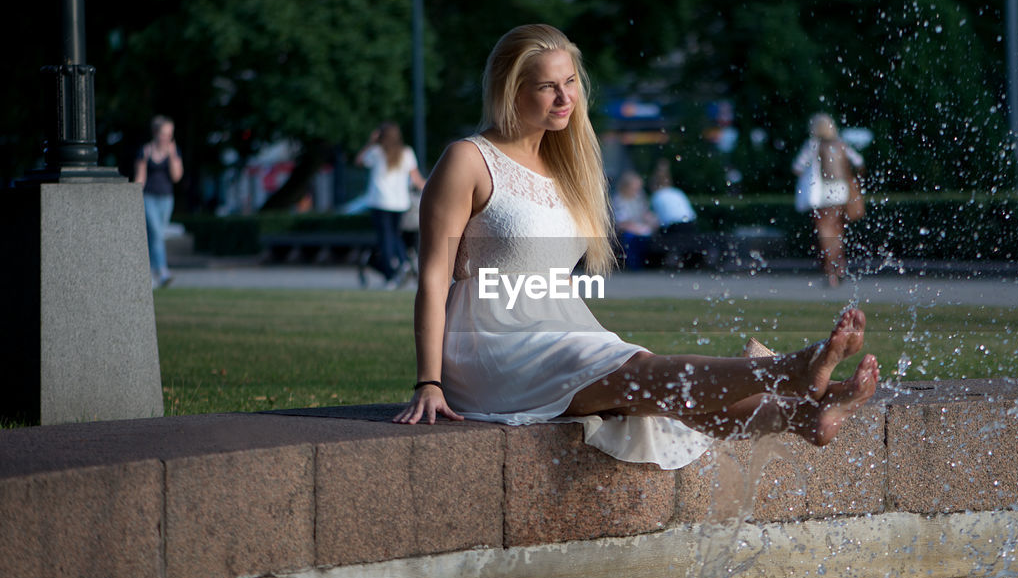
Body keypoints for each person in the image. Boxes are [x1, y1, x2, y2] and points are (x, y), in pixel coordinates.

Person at [393, 24, 879, 469]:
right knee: (642, 375)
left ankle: (803, 416)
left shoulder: (566, 168)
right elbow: (433, 279)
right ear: (509, 89)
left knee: (654, 397)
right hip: (490, 345)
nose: (565, 98)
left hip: (559, 328)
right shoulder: (469, 159)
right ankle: (792, 370)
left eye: (571, 82)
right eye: (547, 86)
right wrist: (429, 382)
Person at [792, 113, 866, 287]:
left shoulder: (813, 145)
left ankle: (831, 271)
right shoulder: (841, 144)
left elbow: (797, 167)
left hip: (822, 193)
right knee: (838, 232)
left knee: (825, 232)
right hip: (841, 192)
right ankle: (840, 267)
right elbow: (859, 161)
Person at [356, 122, 426, 289]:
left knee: (385, 238)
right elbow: (417, 179)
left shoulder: (376, 152)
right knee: (394, 235)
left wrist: (371, 142)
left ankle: (392, 273)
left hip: (380, 202)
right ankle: (403, 262)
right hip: (400, 203)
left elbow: (358, 161)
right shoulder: (406, 152)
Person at [133, 115, 183, 288]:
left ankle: (151, 273)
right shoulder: (145, 151)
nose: (167, 138)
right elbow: (140, 177)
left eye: (170, 134)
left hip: (166, 198)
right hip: (149, 197)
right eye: (164, 134)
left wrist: (172, 156)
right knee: (155, 232)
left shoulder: (173, 151)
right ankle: (162, 270)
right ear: (155, 133)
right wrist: (134, 195)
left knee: (157, 235)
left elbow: (176, 176)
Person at [610, 170, 657, 270]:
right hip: (624, 230)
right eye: (635, 188)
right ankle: (634, 266)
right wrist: (636, 228)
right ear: (627, 187)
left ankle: (644, 264)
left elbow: (645, 213)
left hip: (640, 228)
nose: (637, 190)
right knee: (631, 238)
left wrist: (651, 220)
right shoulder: (618, 200)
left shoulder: (638, 198)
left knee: (645, 238)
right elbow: (621, 222)